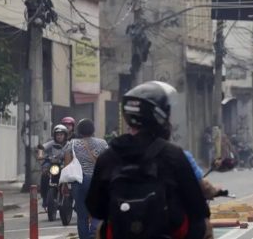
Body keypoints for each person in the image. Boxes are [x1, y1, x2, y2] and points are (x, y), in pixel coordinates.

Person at [86, 81, 209, 239]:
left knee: (102, 228)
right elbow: (197, 206)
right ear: (160, 116)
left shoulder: (108, 157)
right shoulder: (173, 155)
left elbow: (95, 208)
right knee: (201, 225)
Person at [63, 119, 108, 239]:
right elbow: (108, 163)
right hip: (97, 182)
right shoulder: (103, 143)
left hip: (79, 182)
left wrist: (65, 185)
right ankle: (95, 233)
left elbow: (67, 165)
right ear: (93, 130)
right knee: (98, 210)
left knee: (82, 215)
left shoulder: (71, 144)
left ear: (79, 130)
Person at [39, 124, 69, 210]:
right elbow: (41, 147)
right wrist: (41, 155)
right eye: (57, 135)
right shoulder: (52, 143)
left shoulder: (69, 144)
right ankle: (45, 198)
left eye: (61, 135)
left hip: (65, 165)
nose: (59, 137)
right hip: (52, 164)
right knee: (44, 174)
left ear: (65, 135)